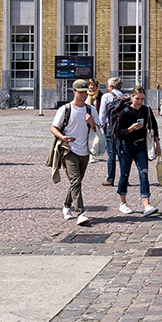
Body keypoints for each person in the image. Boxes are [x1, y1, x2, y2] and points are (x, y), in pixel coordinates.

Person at [50, 79, 99, 226]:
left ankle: (66, 206)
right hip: (68, 149)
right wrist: (62, 137)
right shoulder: (65, 109)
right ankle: (81, 213)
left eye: (86, 93)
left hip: (85, 151)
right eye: (81, 92)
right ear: (74, 92)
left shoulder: (91, 110)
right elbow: (53, 127)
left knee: (76, 182)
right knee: (76, 180)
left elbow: (98, 130)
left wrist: (91, 122)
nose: (84, 95)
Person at [114, 85, 161, 217]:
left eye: (142, 99)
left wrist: (157, 143)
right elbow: (119, 133)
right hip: (126, 146)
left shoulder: (146, 110)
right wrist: (131, 129)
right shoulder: (124, 112)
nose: (140, 102)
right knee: (124, 174)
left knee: (144, 174)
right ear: (131, 98)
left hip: (141, 146)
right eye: (137, 98)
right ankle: (123, 203)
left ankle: (147, 205)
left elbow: (154, 127)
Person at [98, 77, 124, 186]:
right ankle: (124, 179)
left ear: (111, 87)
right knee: (122, 154)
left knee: (111, 154)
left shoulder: (107, 96)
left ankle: (110, 179)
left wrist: (101, 126)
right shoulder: (125, 97)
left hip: (110, 127)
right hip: (123, 128)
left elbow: (102, 114)